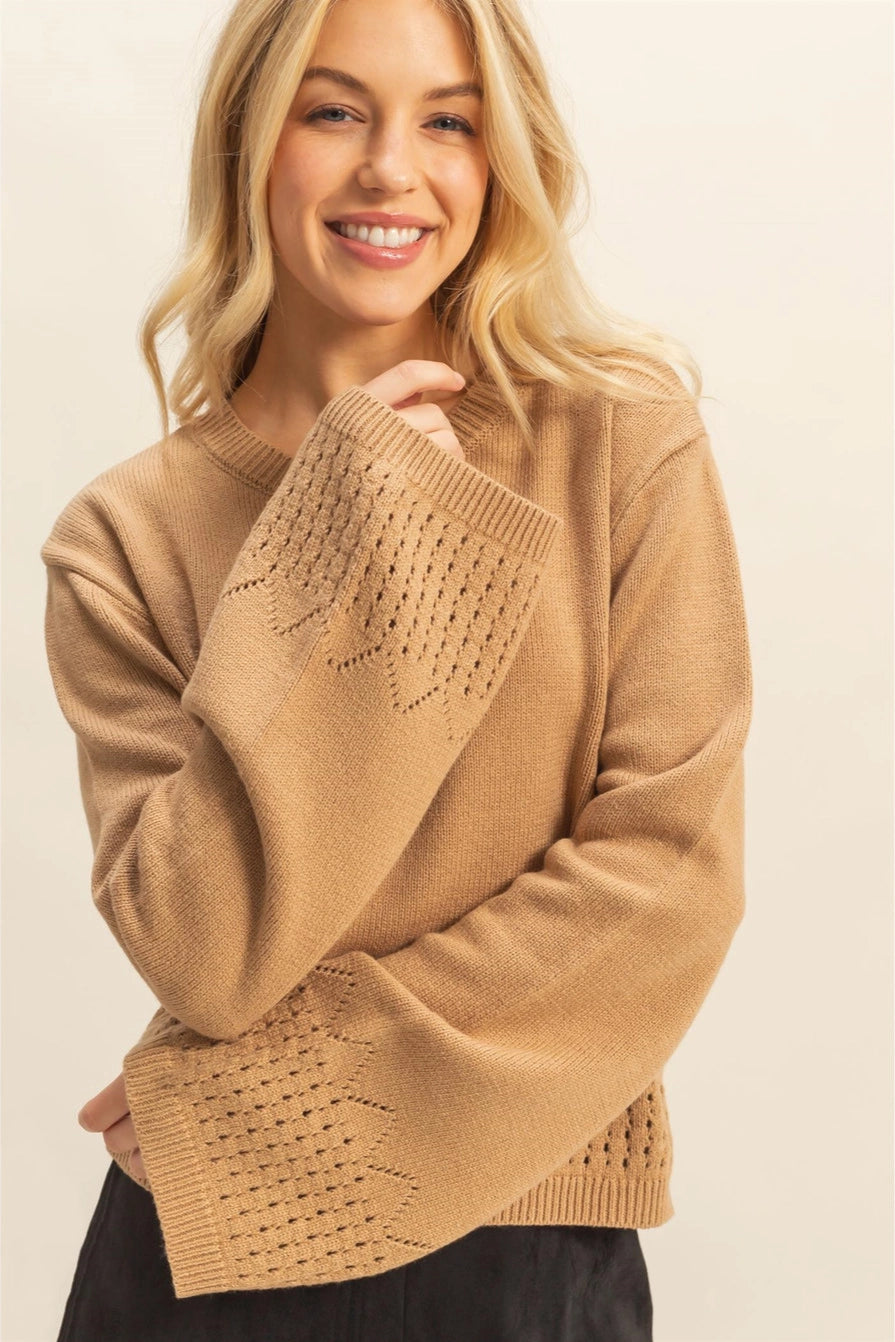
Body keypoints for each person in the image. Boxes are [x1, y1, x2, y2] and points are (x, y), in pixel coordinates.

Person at [41, 0, 753, 1338]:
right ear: (251, 141)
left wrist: (264, 1110)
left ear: (501, 160)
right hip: (200, 1272)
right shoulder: (122, 537)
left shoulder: (621, 442)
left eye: (449, 123)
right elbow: (203, 952)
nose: (390, 168)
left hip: (513, 1238)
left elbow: (671, 879)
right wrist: (334, 534)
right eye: (333, 111)